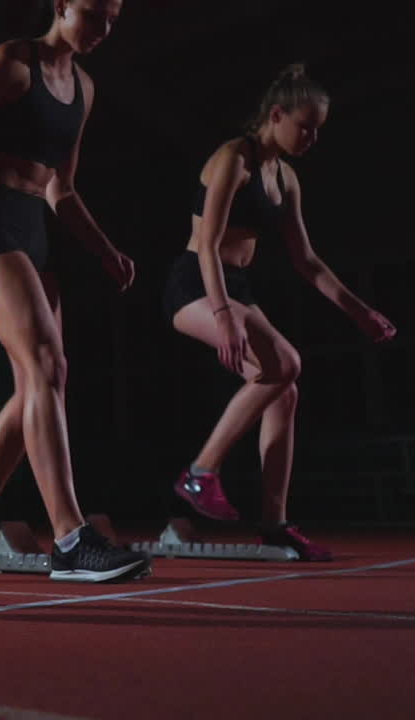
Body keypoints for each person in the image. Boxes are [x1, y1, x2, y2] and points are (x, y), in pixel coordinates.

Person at [0, 0, 151, 582]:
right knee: (45, 365)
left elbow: (62, 187)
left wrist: (105, 249)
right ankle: (70, 539)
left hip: (34, 227)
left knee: (42, 378)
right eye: (93, 14)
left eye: (112, 20)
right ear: (60, 6)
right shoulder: (9, 63)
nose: (103, 29)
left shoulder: (84, 87)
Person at [162, 63, 397, 560]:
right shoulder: (234, 158)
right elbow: (206, 245)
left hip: (238, 290)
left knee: (284, 391)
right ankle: (200, 474)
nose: (312, 137)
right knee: (285, 363)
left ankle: (275, 524)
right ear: (276, 115)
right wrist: (224, 315)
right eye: (305, 125)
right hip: (195, 284)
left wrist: (360, 312)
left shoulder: (284, 178)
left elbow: (306, 262)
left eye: (318, 129)